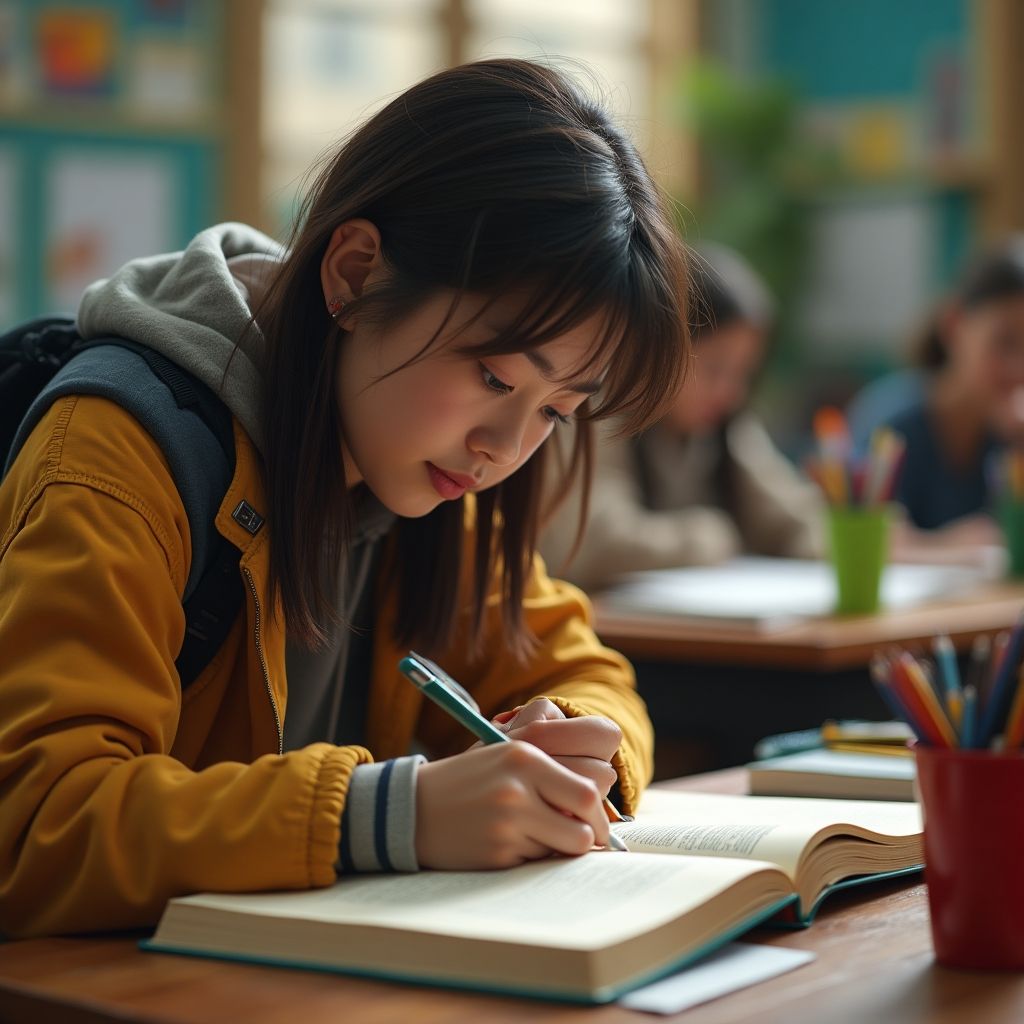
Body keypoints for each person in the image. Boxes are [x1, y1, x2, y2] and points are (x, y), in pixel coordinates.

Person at [0, 59, 691, 938]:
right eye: (493, 375)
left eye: (557, 411)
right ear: (356, 275)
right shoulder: (124, 449)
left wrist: (583, 743)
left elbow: (585, 670)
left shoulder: (431, 480)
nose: (506, 448)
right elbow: (36, 819)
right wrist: (387, 814)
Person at [539, 244, 822, 592]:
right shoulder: (595, 412)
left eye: (742, 374)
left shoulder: (727, 427)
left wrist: (835, 540)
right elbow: (591, 544)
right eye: (714, 369)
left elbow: (792, 516)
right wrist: (707, 536)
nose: (731, 392)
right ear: (657, 350)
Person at [846, 237, 1024, 553]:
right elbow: (867, 536)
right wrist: (949, 546)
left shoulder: (1009, 435)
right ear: (955, 325)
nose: (1017, 367)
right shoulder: (894, 419)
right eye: (1005, 342)